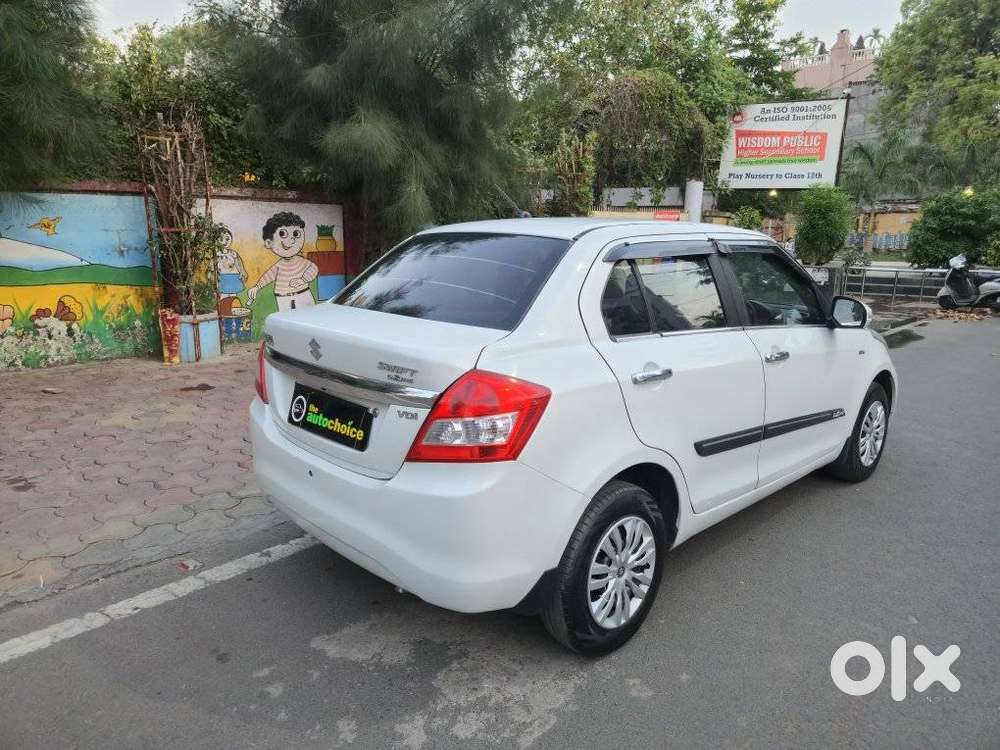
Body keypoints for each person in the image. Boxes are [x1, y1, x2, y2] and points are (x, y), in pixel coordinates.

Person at [247, 212, 318, 311]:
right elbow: (268, 276)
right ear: (268, 243)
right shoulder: (278, 266)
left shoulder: (301, 261)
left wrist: (303, 280)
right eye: (283, 234)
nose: (292, 239)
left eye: (296, 234)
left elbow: (313, 268)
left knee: (308, 316)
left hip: (303, 293)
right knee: (286, 320)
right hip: (283, 297)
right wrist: (257, 287)